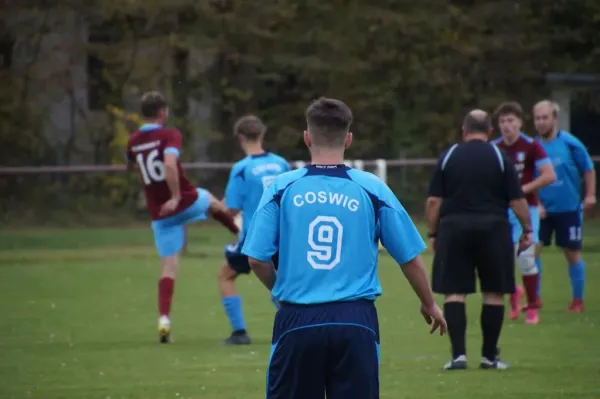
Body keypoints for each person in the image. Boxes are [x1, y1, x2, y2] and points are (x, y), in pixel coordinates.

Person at [242, 97, 446, 399]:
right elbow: (410, 259)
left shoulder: (281, 187)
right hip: (355, 320)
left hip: (296, 318)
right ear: (348, 139)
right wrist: (428, 303)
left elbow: (257, 259)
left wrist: (279, 290)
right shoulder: (372, 188)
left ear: (307, 137)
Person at [126, 91, 240, 343]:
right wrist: (176, 196)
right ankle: (241, 236)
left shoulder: (133, 140)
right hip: (182, 201)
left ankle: (164, 319)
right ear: (163, 112)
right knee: (210, 200)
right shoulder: (169, 134)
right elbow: (168, 163)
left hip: (159, 214)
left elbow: (131, 164)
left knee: (168, 267)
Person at [426, 109, 532, 371]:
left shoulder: (449, 155)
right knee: (494, 292)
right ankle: (489, 358)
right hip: (493, 230)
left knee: (454, 292)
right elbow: (517, 200)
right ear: (490, 132)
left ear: (464, 130)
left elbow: (433, 200)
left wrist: (433, 233)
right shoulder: (499, 156)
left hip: (454, 228)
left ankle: (458, 356)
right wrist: (527, 229)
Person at [218, 115, 289, 345]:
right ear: (262, 135)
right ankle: (297, 324)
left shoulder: (242, 168)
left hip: (254, 236)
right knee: (282, 281)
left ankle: (239, 333)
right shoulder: (281, 163)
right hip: (284, 235)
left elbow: (231, 209)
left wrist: (212, 207)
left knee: (226, 276)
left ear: (240, 138)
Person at [492, 101, 556, 324]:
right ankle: (514, 296)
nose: (506, 125)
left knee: (526, 258)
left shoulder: (531, 146)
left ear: (520, 122)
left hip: (526, 209)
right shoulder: (495, 148)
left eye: (510, 120)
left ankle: (531, 306)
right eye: (502, 121)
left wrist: (520, 192)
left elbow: (549, 175)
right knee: (504, 260)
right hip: (501, 211)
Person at [533, 100, 596, 312]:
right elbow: (528, 178)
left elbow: (588, 169)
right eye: (537, 118)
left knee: (571, 253)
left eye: (545, 118)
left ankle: (577, 301)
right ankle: (535, 298)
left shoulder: (570, 143)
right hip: (541, 210)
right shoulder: (533, 146)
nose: (541, 122)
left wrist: (590, 195)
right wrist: (537, 203)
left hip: (568, 209)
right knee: (532, 251)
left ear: (554, 119)